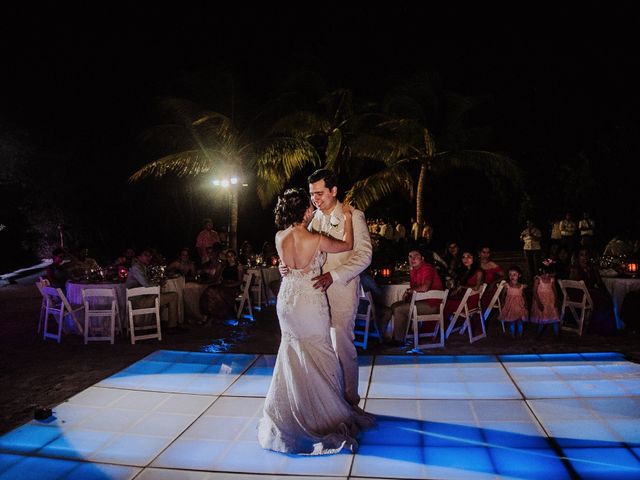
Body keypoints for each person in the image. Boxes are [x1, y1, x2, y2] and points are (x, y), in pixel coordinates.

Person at [258, 188, 374, 455]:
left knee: (291, 353)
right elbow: (346, 244)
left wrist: (284, 266)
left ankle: (292, 413)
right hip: (310, 302)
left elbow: (287, 263)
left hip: (287, 302)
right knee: (320, 353)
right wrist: (346, 218)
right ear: (304, 211)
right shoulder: (314, 238)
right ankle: (322, 417)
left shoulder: (278, 236)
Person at [378, 247, 444, 346]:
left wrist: (409, 291)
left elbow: (425, 287)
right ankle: (398, 334)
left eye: (416, 256)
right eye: (410, 256)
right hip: (423, 301)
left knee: (399, 309)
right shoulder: (415, 270)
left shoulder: (427, 268)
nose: (412, 259)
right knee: (394, 306)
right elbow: (416, 288)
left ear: (422, 258)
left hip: (432, 305)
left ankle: (398, 340)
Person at [125, 249, 185, 334]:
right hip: (138, 301)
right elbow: (146, 283)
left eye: (149, 255)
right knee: (173, 296)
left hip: (142, 298)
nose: (149, 257)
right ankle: (172, 326)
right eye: (146, 255)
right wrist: (158, 283)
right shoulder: (136, 268)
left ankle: (164, 324)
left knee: (167, 295)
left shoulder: (142, 267)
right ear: (139, 257)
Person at [569, 248, 616, 335]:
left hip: (590, 293)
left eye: (586, 254)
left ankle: (605, 328)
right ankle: (597, 328)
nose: (585, 257)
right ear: (578, 257)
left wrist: (595, 272)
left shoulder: (591, 268)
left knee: (606, 298)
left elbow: (599, 283)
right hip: (581, 295)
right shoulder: (575, 269)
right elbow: (576, 286)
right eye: (582, 255)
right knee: (600, 300)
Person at [199, 248, 244, 325]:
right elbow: (219, 278)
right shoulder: (224, 267)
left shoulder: (238, 267)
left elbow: (239, 282)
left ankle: (222, 316)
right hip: (224, 285)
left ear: (235, 257)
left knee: (214, 292)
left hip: (233, 288)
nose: (230, 258)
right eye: (228, 256)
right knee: (208, 290)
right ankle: (211, 315)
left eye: (232, 256)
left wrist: (229, 285)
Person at [530, 259, 560, 338]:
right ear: (543, 271)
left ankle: (557, 336)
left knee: (555, 319)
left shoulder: (552, 279)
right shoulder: (538, 279)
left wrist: (556, 299)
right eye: (548, 274)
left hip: (551, 301)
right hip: (542, 302)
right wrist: (539, 303)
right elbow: (534, 292)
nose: (549, 276)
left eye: (551, 275)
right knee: (543, 319)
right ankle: (538, 335)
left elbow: (554, 289)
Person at [498, 266, 528, 338]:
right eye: (510, 274)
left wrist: (526, 304)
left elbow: (523, 295)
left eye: (514, 274)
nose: (512, 276)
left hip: (519, 305)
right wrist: (502, 303)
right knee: (512, 321)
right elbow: (503, 295)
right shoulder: (507, 286)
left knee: (519, 321)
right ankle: (513, 335)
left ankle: (520, 334)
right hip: (510, 305)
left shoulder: (521, 286)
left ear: (519, 275)